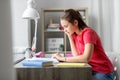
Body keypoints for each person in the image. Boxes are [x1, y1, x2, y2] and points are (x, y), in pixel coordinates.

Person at [52, 9, 115, 80]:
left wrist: (62, 59)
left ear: (75, 22)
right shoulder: (74, 35)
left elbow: (86, 58)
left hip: (102, 72)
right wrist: (69, 37)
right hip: (90, 70)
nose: (64, 30)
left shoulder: (88, 33)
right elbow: (76, 56)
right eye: (63, 27)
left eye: (66, 26)